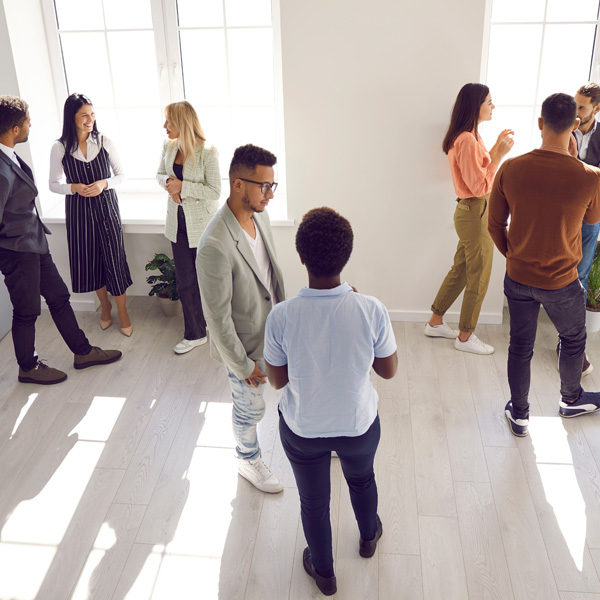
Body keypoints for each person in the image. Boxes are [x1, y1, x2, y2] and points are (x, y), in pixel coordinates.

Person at [264, 207, 398, 596]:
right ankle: (368, 537)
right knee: (362, 479)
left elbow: (277, 380)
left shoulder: (281, 316)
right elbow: (387, 371)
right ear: (347, 254)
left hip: (304, 430)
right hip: (358, 427)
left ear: (301, 257)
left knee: (313, 502)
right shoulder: (370, 309)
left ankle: (324, 575)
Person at [489, 92, 600, 437]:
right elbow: (591, 221)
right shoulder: (591, 176)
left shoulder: (511, 167)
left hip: (518, 276)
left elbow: (494, 224)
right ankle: (571, 399)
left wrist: (514, 256)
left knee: (520, 345)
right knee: (573, 338)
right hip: (562, 282)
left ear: (540, 124)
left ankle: (519, 414)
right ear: (576, 125)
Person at [0, 95, 122, 384]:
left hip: (34, 243)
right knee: (27, 310)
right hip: (17, 250)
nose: (31, 125)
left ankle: (82, 352)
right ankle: (27, 367)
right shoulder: (1, 168)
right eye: (27, 121)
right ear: (15, 128)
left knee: (58, 297)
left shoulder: (9, 154)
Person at [196, 144, 284, 493]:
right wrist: (242, 366)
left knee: (293, 389)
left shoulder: (260, 216)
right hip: (246, 349)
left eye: (272, 186)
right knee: (250, 409)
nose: (270, 195)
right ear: (237, 184)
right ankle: (248, 458)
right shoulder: (214, 245)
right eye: (264, 186)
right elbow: (216, 320)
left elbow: (270, 279)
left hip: (276, 331)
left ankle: (313, 432)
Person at [425, 83, 514, 354]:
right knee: (479, 275)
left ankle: (435, 322)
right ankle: (465, 337)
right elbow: (478, 186)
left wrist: (495, 147)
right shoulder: (466, 139)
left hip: (476, 211)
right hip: (475, 211)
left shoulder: (472, 136)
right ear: (475, 106)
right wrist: (498, 154)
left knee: (462, 269)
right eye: (489, 102)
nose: (493, 107)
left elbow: (480, 172)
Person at [49, 93, 133, 336]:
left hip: (107, 208)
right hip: (79, 212)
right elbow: (53, 184)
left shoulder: (104, 141)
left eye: (92, 114)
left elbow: (121, 175)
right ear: (71, 117)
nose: (90, 119)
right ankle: (105, 307)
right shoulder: (60, 147)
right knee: (92, 262)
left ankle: (123, 312)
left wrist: (104, 184)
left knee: (114, 260)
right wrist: (72, 188)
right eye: (84, 115)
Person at [157, 101, 221, 354]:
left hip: (203, 226)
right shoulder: (168, 146)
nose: (165, 127)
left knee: (210, 280)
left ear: (182, 123)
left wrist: (183, 186)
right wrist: (169, 182)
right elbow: (159, 174)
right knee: (185, 281)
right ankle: (195, 333)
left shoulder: (208, 152)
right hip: (178, 224)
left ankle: (218, 327)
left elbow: (215, 191)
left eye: (169, 122)